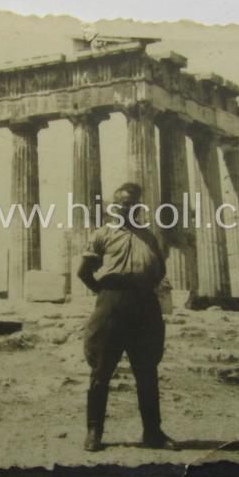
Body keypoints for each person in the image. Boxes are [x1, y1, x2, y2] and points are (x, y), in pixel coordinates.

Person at [77, 182, 178, 452]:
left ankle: (153, 433)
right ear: (114, 205)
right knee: (101, 371)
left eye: (132, 203)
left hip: (144, 304)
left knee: (147, 371)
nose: (127, 207)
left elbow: (159, 271)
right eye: (122, 203)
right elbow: (84, 272)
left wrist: (141, 288)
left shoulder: (149, 237)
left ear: (138, 207)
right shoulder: (102, 235)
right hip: (112, 303)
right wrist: (105, 293)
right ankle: (94, 432)